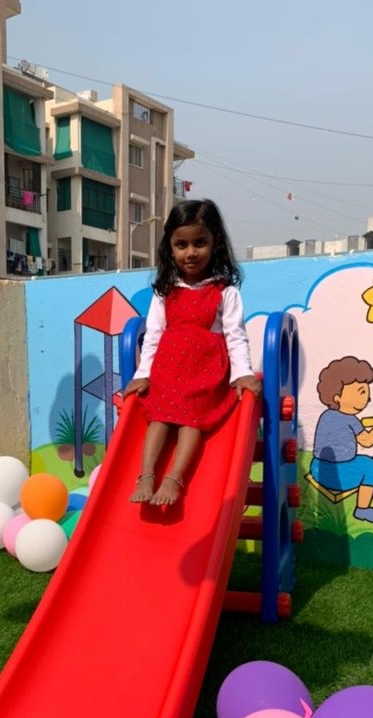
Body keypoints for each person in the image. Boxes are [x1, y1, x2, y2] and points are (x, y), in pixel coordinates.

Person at [124, 199, 262, 505]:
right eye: (181, 244)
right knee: (158, 417)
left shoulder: (224, 292)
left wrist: (241, 373)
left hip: (204, 372)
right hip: (168, 369)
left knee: (191, 421)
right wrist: (143, 374)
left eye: (200, 243)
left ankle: (174, 479)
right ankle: (146, 475)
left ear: (216, 243)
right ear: (170, 247)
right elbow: (154, 335)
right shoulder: (165, 291)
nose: (190, 252)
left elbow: (236, 337)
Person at [309, 356, 373, 524]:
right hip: (335, 475)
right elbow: (367, 441)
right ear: (337, 397)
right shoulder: (349, 419)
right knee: (368, 465)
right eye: (361, 392)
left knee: (363, 461)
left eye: (367, 393)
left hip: (317, 468)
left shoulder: (326, 415)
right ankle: (362, 508)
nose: (367, 398)